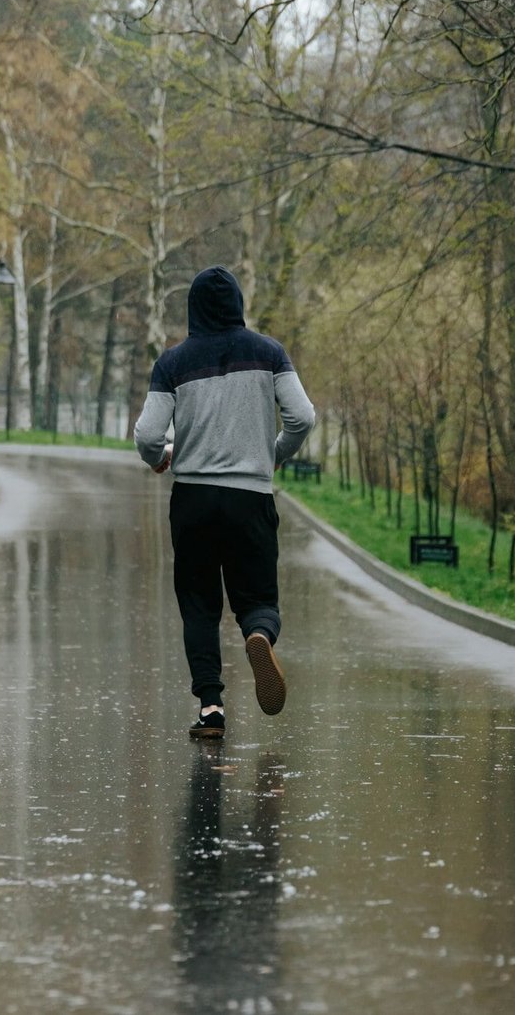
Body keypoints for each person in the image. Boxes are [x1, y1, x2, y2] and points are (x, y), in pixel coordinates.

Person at [134, 265, 316, 739]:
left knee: (198, 604)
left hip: (193, 500)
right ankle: (258, 635)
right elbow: (302, 417)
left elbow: (149, 433)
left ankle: (211, 707)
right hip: (249, 497)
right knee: (257, 598)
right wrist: (270, 455)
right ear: (238, 303)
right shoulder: (269, 353)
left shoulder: (173, 362)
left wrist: (160, 458)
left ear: (192, 308)